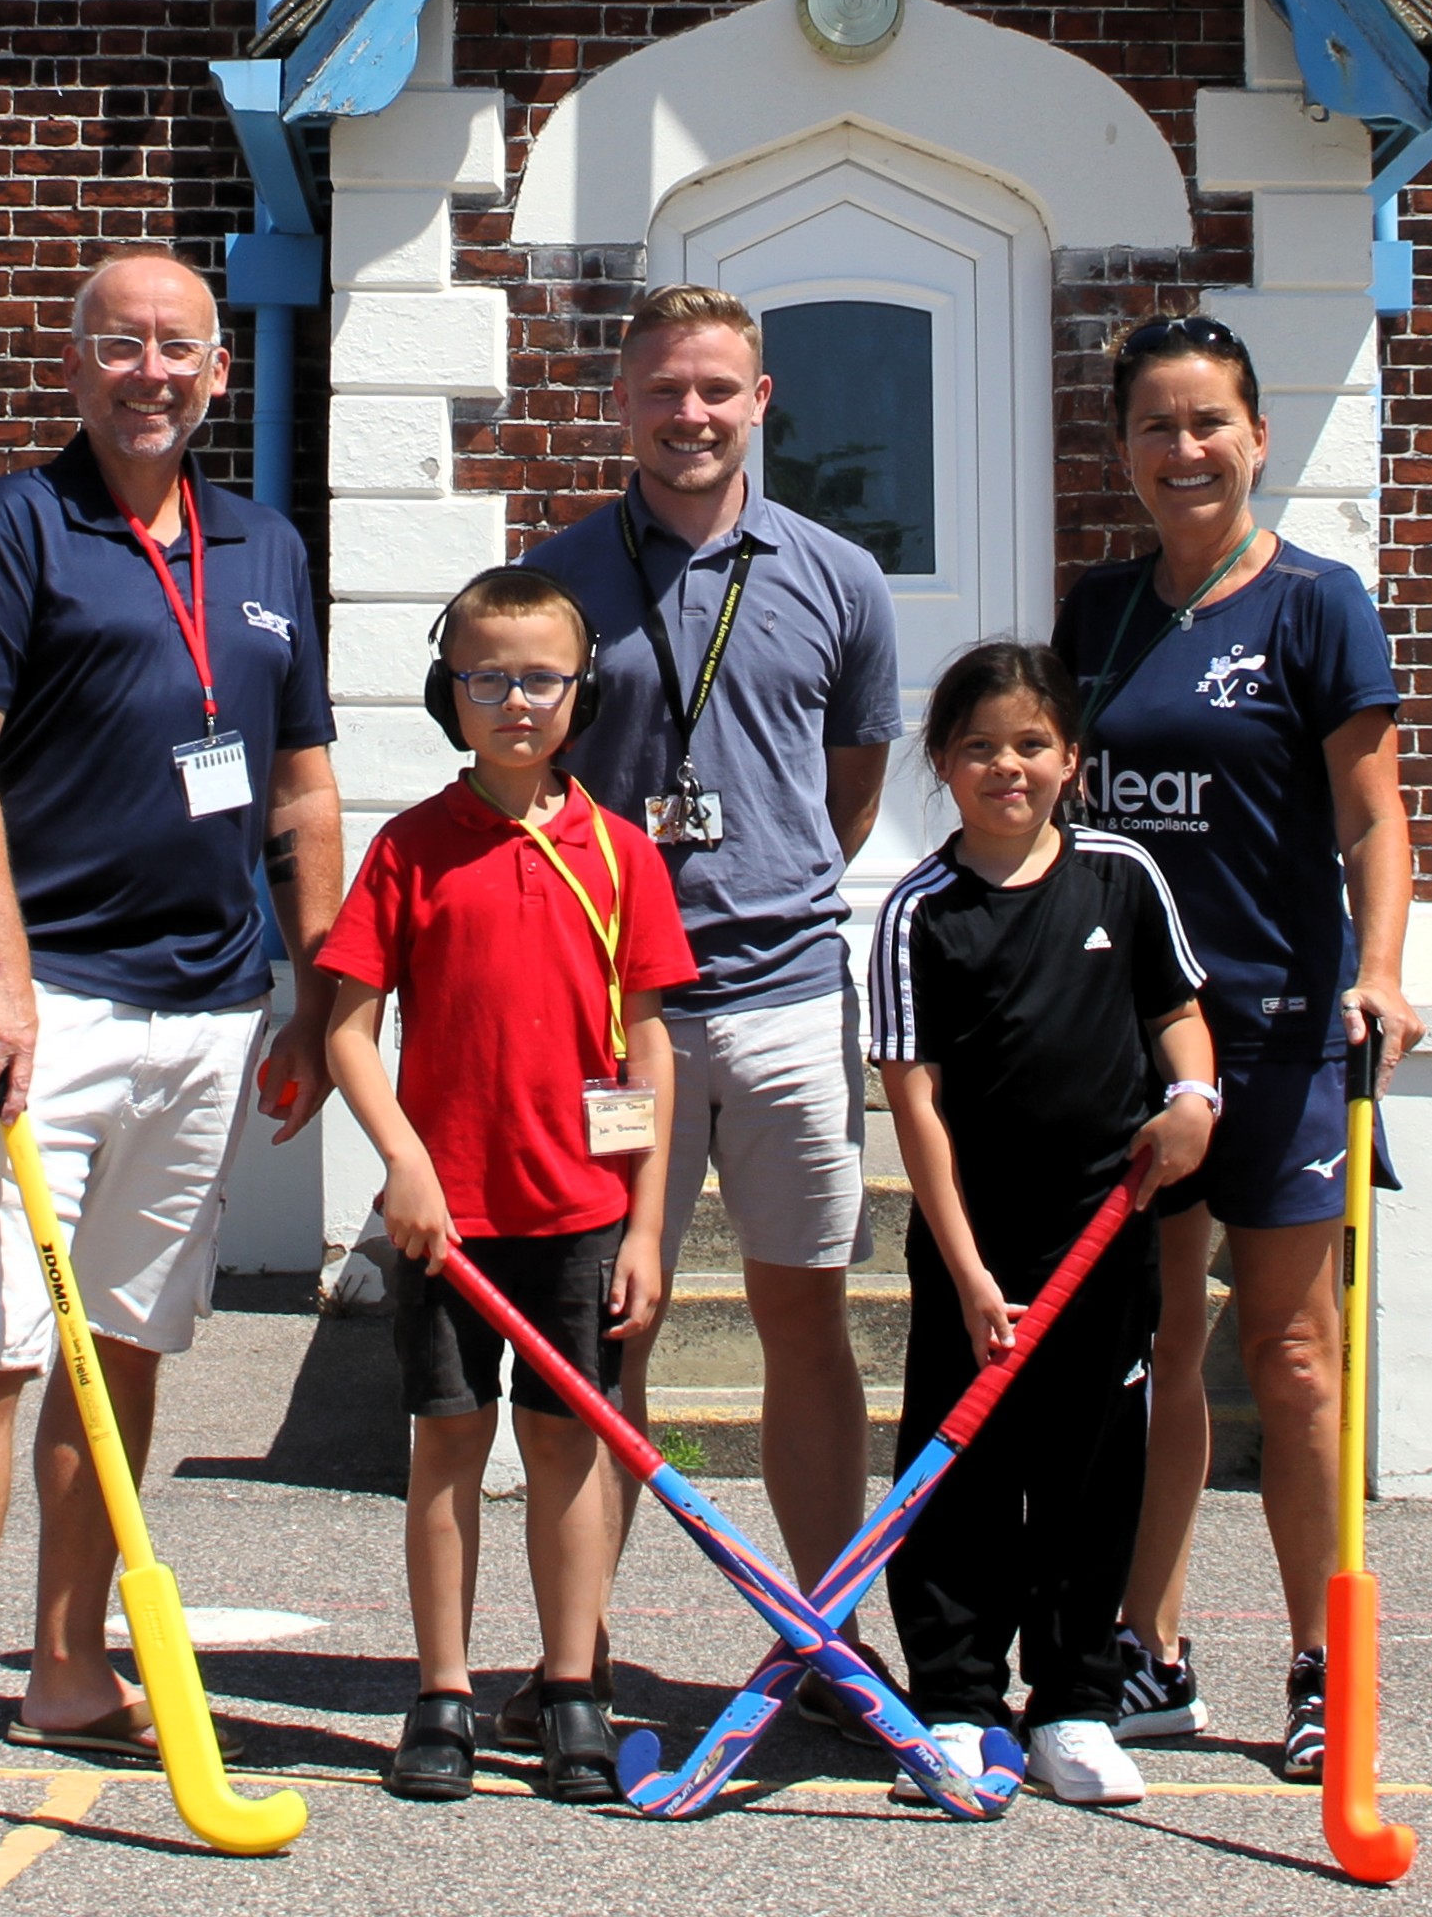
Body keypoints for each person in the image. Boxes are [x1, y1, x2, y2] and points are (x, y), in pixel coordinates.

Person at [0, 250, 344, 1847]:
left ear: (217, 372)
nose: (153, 371)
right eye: (121, 345)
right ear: (77, 365)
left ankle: (66, 1665)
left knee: (119, 1346)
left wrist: (317, 994)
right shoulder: (14, 526)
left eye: (179, 347)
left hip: (208, 1011)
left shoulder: (265, 543)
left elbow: (305, 791)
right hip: (42, 1006)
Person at [1052, 311, 1423, 1782]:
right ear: (1125, 450)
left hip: (1279, 1032)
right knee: (1153, 1353)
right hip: (1136, 1042)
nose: (1184, 448)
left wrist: (1381, 970)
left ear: (1258, 437)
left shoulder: (1321, 604)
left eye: (1209, 421)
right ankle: (1150, 1649)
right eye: (1156, 424)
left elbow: (1373, 814)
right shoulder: (1101, 614)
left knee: (1295, 1355)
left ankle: (1325, 1663)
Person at [524, 285, 903, 1634]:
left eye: (717, 390)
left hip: (788, 1002)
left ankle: (831, 1635)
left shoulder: (838, 579)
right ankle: (583, 1660)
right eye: (665, 390)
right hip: (622, 1023)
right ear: (623, 403)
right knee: (611, 1322)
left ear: (762, 401)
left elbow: (850, 789)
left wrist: (764, 883)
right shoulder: (558, 580)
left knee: (806, 1321)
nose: (691, 414)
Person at [318, 567, 689, 1806]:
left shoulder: (625, 855)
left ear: (581, 693)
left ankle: (574, 1686)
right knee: (447, 1447)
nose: (516, 701)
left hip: (579, 1216)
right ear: (449, 690)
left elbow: (645, 1049)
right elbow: (349, 1034)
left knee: (571, 1453)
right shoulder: (409, 849)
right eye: (488, 678)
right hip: (449, 1228)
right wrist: (405, 1164)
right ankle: (443, 1691)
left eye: (541, 678)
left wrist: (643, 1221)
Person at [867, 641, 1221, 1809]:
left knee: (1089, 1472)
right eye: (978, 747)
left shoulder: (1123, 877)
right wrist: (966, 1269)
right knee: (958, 1469)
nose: (1005, 767)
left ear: (1071, 758)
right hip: (980, 1250)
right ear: (943, 763)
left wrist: (1194, 1103)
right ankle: (958, 1701)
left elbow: (1176, 1016)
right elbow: (913, 1101)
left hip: (1103, 1239)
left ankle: (1072, 1699)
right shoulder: (921, 911)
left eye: (1030, 744)